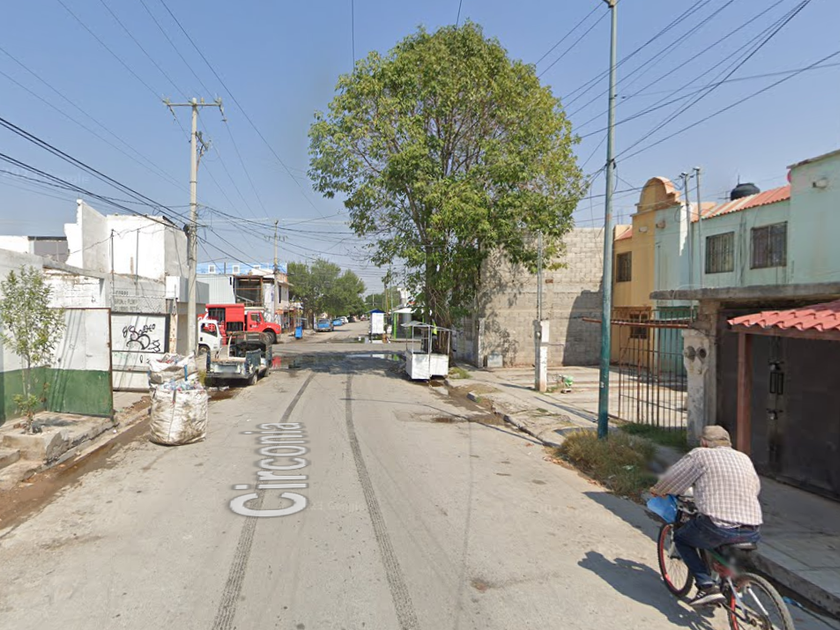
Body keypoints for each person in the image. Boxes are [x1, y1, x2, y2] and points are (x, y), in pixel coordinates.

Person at [650, 425, 762, 607]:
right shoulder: (743, 458)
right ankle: (730, 583)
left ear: (703, 442)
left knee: (682, 538)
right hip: (752, 527)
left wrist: (658, 489)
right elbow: (755, 488)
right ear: (728, 442)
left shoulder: (700, 454)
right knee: (721, 543)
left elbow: (673, 478)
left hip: (718, 526)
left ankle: (706, 586)